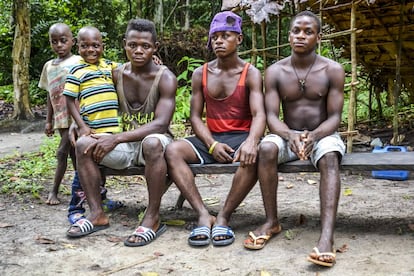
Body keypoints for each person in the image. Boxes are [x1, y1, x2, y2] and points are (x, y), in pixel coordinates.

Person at [243, 11, 346, 267]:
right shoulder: (276, 71)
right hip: (286, 134)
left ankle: (326, 237)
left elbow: (335, 117)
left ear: (318, 37)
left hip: (323, 134)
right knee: (266, 148)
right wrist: (289, 135)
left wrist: (315, 136)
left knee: (331, 157)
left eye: (308, 31)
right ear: (289, 35)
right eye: (296, 31)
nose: (301, 36)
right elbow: (270, 115)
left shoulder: (332, 70)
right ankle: (271, 221)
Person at [65, 19, 177, 248]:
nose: (138, 50)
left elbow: (161, 124)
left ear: (155, 47)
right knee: (82, 145)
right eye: (133, 44)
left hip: (155, 144)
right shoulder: (114, 72)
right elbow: (86, 93)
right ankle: (97, 214)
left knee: (153, 143)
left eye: (145, 46)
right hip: (124, 145)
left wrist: (115, 138)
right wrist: (77, 124)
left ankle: (152, 217)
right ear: (124, 44)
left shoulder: (165, 77)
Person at [165, 11, 265, 247]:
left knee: (255, 154)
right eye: (215, 37)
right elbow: (195, 117)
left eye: (226, 35)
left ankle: (223, 216)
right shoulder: (201, 73)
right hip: (212, 139)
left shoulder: (251, 73)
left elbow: (259, 113)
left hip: (240, 138)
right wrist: (211, 144)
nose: (218, 41)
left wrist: (251, 141)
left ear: (239, 39)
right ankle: (202, 214)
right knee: (173, 151)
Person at [38, 23, 81, 206]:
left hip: (77, 117)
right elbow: (50, 94)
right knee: (74, 155)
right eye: (54, 42)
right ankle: (85, 191)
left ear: (72, 41)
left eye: (63, 41)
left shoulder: (79, 61)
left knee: (62, 152)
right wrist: (48, 121)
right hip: (61, 118)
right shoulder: (49, 66)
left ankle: (54, 191)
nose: (59, 45)